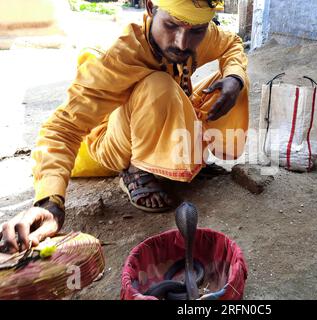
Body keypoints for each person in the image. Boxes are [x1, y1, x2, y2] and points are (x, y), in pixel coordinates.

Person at [0, 0, 248, 253]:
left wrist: (235, 77)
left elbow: (231, 44)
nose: (182, 43)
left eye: (196, 31)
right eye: (171, 25)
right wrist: (49, 202)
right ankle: (136, 169)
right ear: (151, 8)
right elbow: (63, 128)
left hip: (161, 119)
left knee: (231, 84)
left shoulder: (196, 33)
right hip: (114, 143)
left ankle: (191, 157)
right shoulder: (114, 57)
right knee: (158, 85)